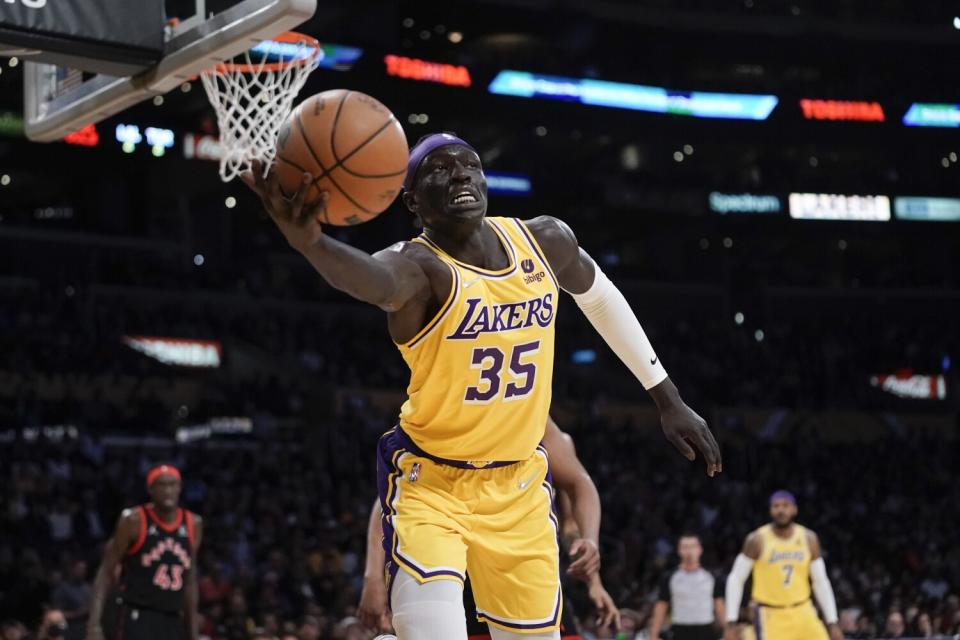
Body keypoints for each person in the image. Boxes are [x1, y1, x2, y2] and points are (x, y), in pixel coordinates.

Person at [242, 133, 721, 640]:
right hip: (433, 486)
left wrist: (668, 399)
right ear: (412, 201)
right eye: (440, 170)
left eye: (470, 165)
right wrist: (311, 244)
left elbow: (602, 299)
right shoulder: (419, 268)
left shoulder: (544, 240)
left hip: (519, 488)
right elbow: (371, 281)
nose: (461, 175)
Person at [358, 416, 620, 638]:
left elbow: (578, 496)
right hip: (458, 572)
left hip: (524, 569)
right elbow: (391, 500)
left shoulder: (542, 427)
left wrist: (594, 580)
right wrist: (373, 579)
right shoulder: (454, 407)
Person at [86, 465, 202, 640]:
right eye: (161, 485)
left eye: (172, 484)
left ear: (180, 488)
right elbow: (106, 573)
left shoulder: (193, 523)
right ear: (151, 489)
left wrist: (193, 633)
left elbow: (190, 580)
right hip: (139, 615)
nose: (168, 490)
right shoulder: (133, 520)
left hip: (173, 618)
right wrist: (94, 625)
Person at [723, 491, 842, 640]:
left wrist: (832, 621)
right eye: (776, 506)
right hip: (770, 614)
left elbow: (821, 582)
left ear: (794, 509)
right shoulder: (757, 540)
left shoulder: (808, 538)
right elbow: (736, 579)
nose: (781, 510)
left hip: (803, 610)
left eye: (785, 506)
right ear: (770, 510)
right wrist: (731, 621)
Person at [648, 534, 724, 640]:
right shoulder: (669, 577)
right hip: (679, 629)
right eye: (685, 547)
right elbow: (661, 606)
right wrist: (653, 634)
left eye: (693, 546)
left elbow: (719, 605)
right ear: (679, 550)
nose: (689, 551)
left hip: (706, 629)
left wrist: (727, 631)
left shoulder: (711, 576)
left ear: (699, 550)